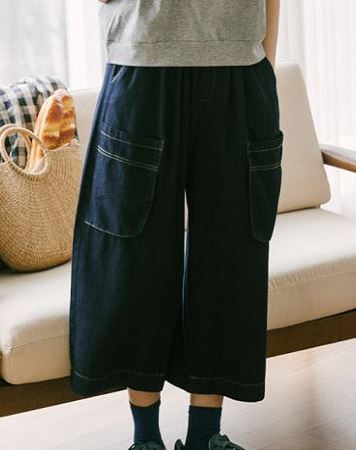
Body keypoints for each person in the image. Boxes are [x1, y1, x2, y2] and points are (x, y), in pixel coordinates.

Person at [69, 1, 283, 449]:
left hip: (239, 69)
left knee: (232, 251)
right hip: (144, 65)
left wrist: (265, 59)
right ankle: (145, 439)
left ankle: (205, 435)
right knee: (133, 255)